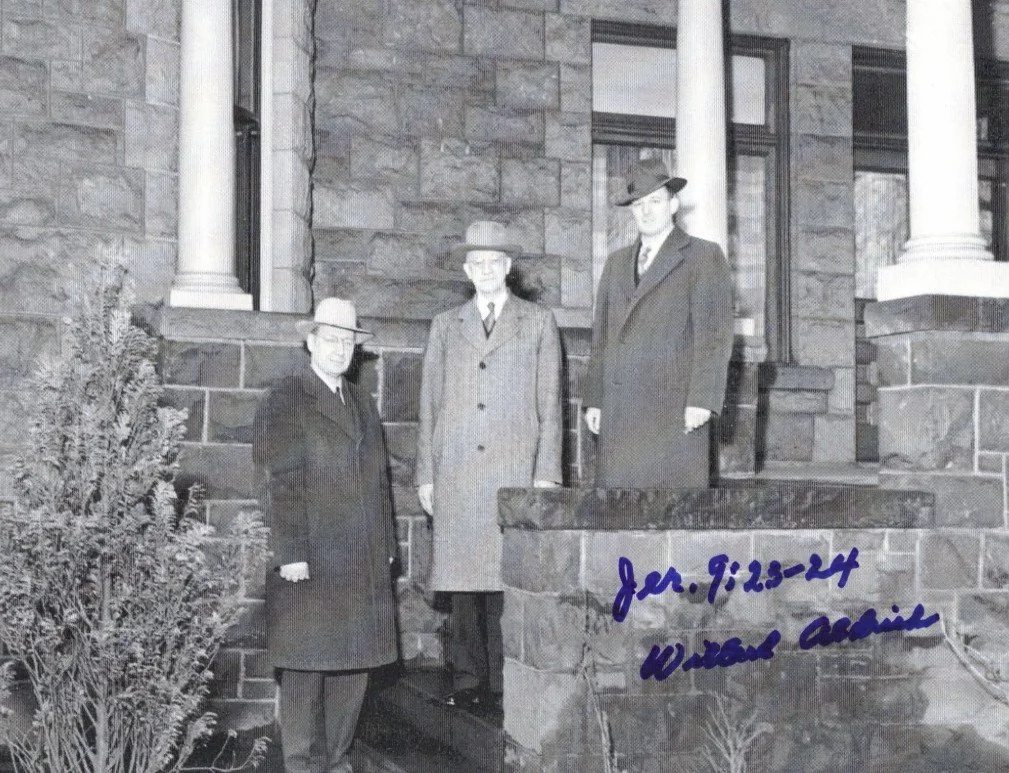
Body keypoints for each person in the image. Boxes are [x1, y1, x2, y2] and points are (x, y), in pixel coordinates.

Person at [415, 220, 563, 709]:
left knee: (504, 580)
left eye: (493, 262)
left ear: (507, 267)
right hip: (456, 469)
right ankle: (466, 681)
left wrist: (546, 473)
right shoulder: (444, 326)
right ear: (466, 269)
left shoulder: (537, 322)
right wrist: (426, 473)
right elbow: (429, 405)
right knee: (461, 582)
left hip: (513, 470)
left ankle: (503, 683)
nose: (485, 270)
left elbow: (551, 403)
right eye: (476, 262)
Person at [253, 297, 398, 773]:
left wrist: (388, 547)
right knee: (305, 666)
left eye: (347, 341)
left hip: (362, 558)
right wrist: (290, 552)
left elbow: (380, 484)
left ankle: (337, 761)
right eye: (330, 339)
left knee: (353, 665)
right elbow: (280, 481)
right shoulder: (287, 397)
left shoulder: (361, 401)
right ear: (310, 341)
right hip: (310, 558)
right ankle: (302, 763)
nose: (339, 349)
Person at [583, 157, 734, 488]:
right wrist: (594, 398)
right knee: (620, 518)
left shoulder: (703, 257)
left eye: (655, 201)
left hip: (675, 412)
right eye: (639, 204)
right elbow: (601, 339)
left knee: (672, 518)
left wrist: (702, 400)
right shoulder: (615, 263)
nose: (647, 211)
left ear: (673, 204)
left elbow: (715, 337)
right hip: (619, 412)